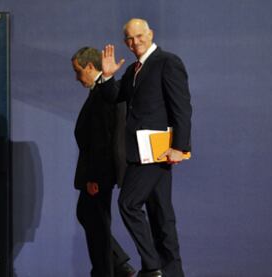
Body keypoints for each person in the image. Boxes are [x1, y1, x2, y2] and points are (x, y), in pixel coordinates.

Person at [99, 18, 192, 277]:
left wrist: (179, 147)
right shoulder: (133, 70)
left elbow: (182, 108)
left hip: (158, 151)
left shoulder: (167, 62)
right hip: (140, 151)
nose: (134, 42)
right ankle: (172, 272)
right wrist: (107, 77)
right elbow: (114, 96)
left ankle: (152, 267)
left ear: (150, 34)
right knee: (161, 214)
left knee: (128, 203)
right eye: (129, 38)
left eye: (139, 36)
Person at [72, 47, 136, 277]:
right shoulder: (101, 91)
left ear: (90, 67)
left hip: (100, 172)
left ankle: (110, 270)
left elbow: (102, 139)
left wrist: (93, 177)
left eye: (78, 71)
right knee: (90, 217)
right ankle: (117, 266)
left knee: (96, 222)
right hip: (101, 170)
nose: (77, 77)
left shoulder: (105, 93)